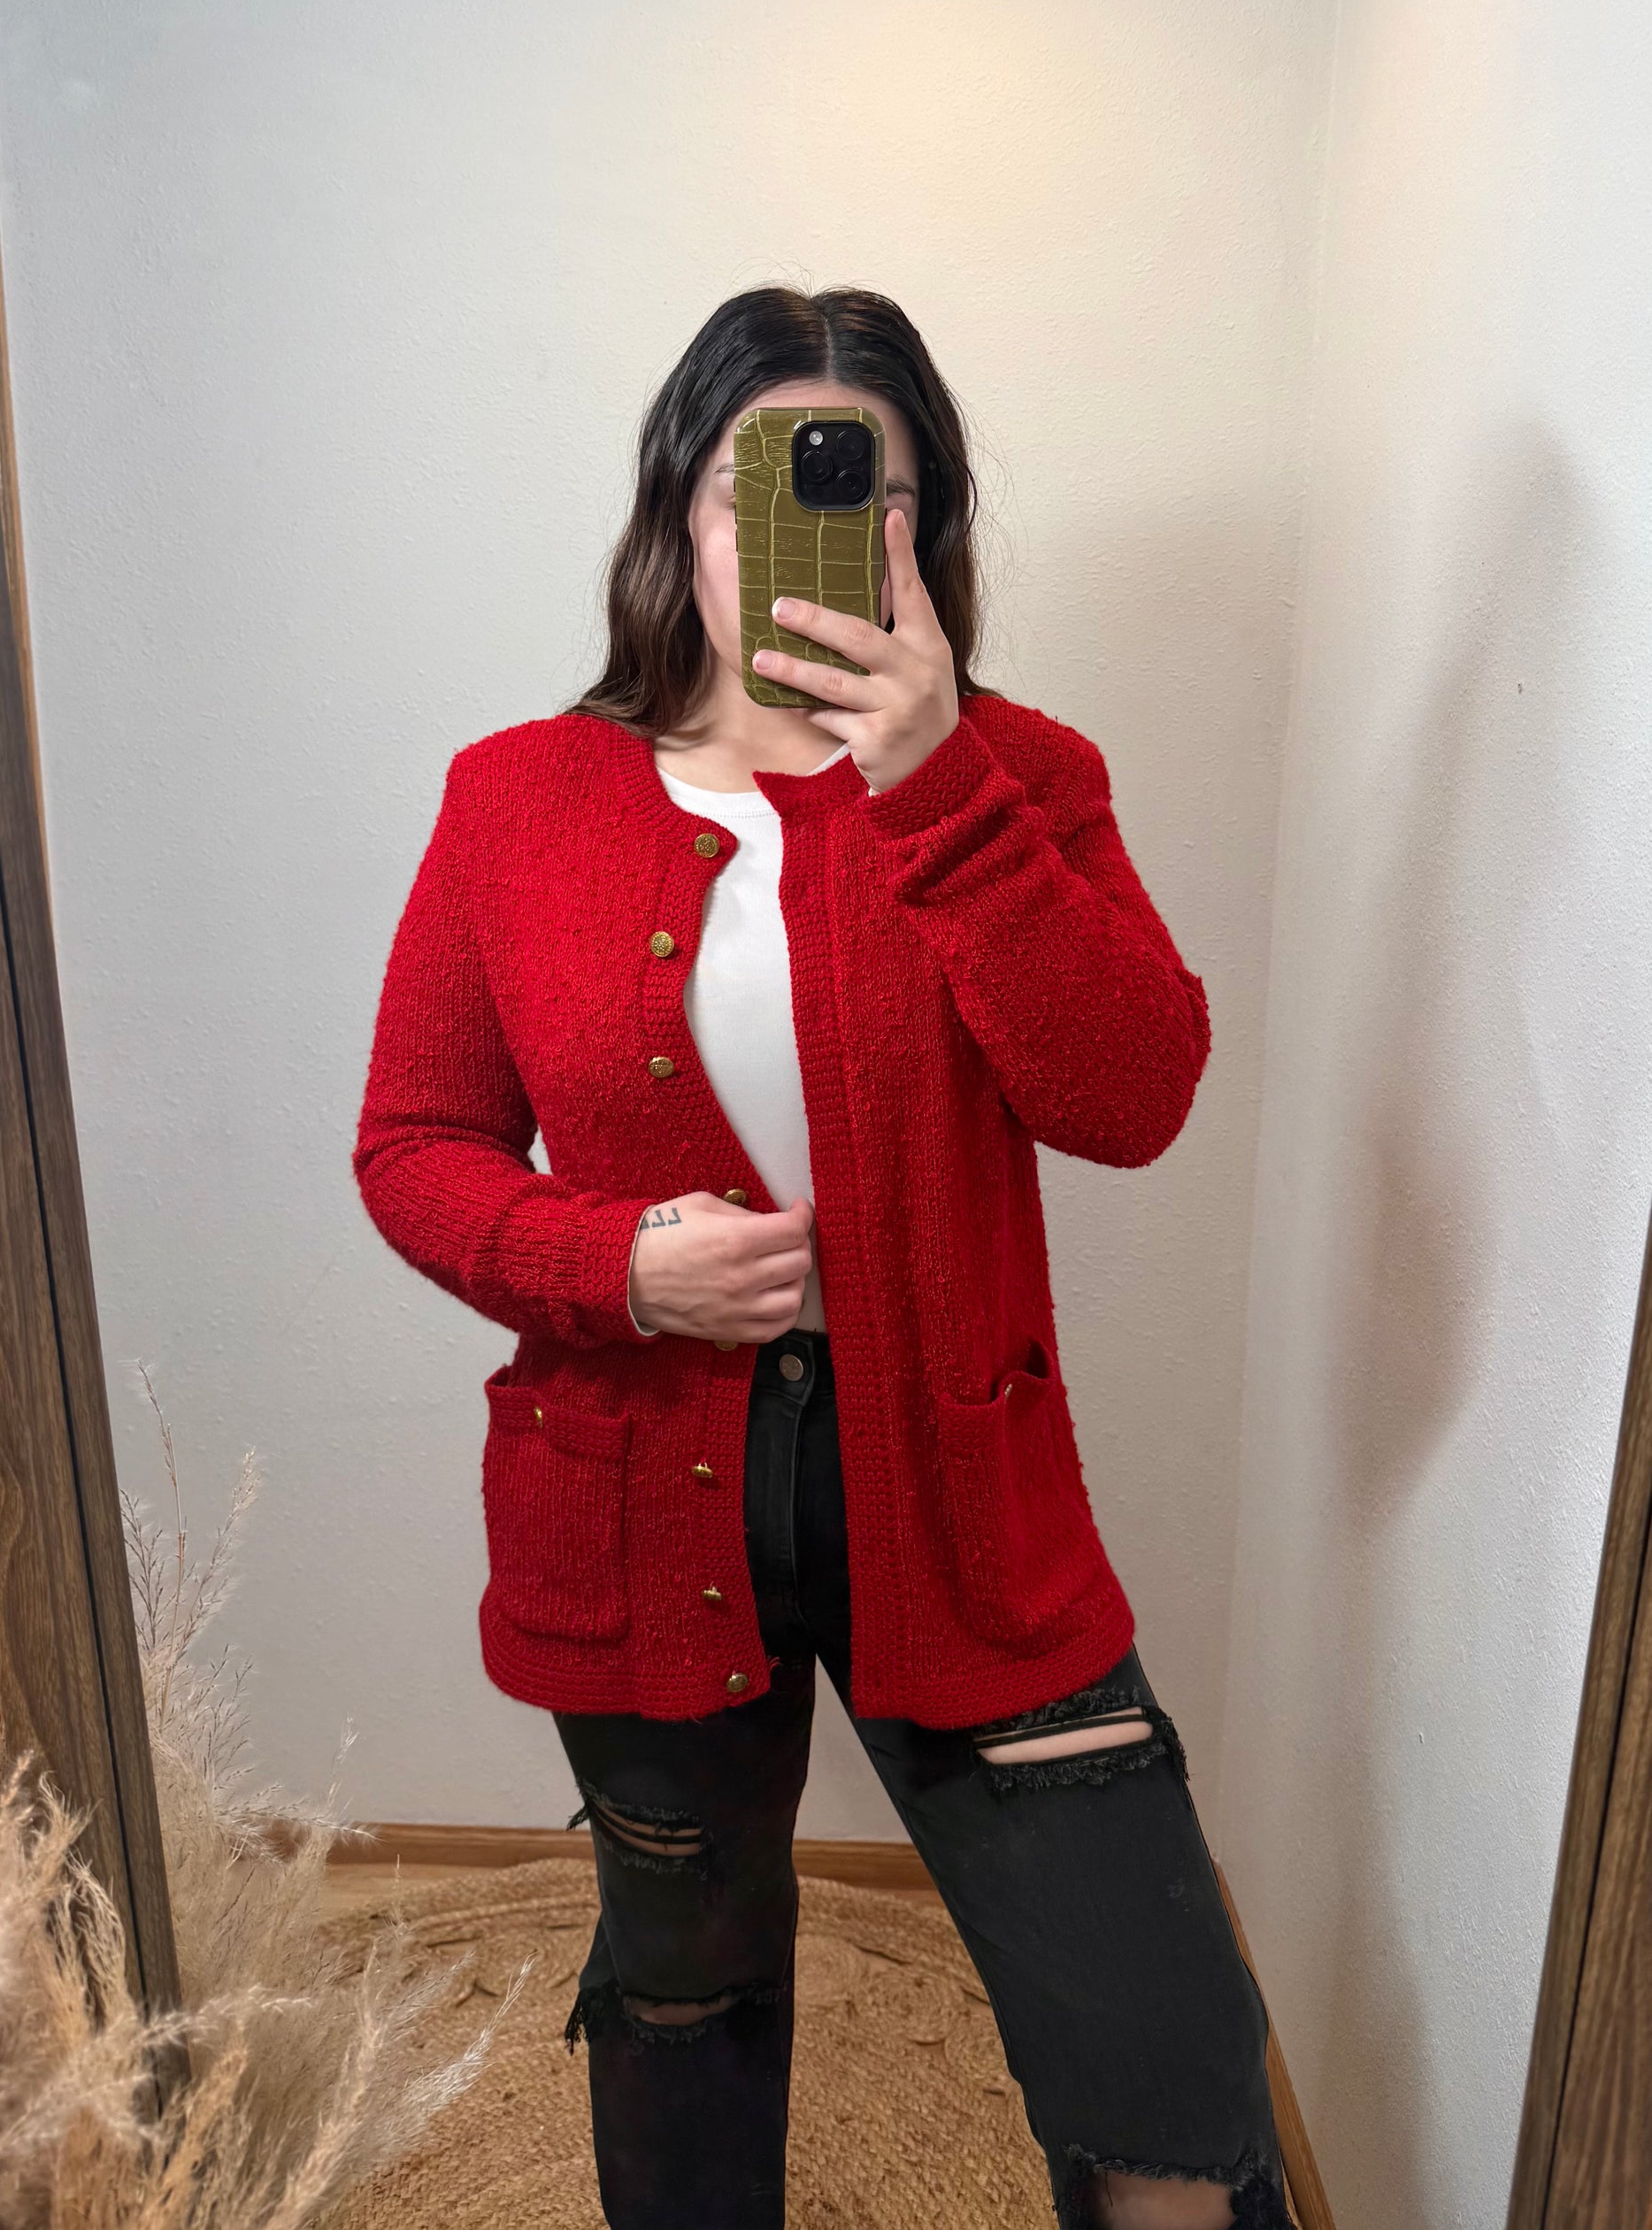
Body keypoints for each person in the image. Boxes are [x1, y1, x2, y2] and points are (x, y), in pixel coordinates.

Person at [354, 285, 1291, 2230]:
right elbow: (414, 1147)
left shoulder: (1022, 774)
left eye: (874, 492)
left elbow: (1133, 1095)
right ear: (677, 514)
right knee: (684, 1987)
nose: (810, 534)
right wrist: (619, 1264)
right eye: (755, 482)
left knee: (1164, 2065)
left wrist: (934, 779)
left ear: (923, 531)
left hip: (960, 1485)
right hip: (636, 1487)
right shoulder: (514, 798)